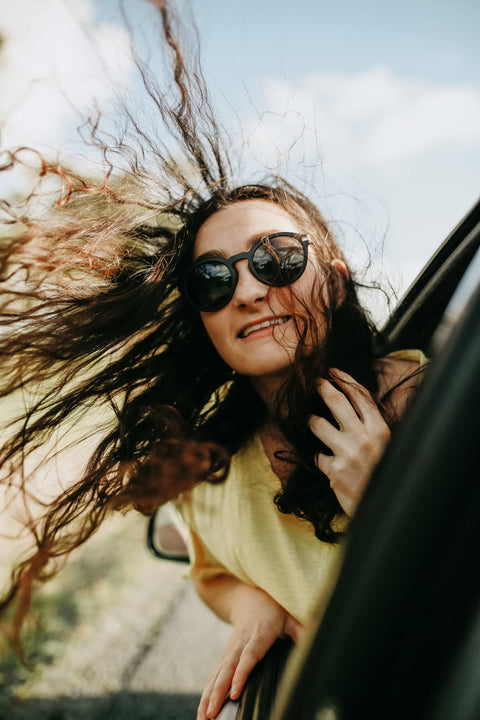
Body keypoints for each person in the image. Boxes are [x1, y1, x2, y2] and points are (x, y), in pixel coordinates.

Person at [0, 2, 425, 718]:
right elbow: (209, 573)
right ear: (202, 319)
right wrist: (252, 602)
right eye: (215, 279)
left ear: (338, 276)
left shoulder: (422, 399)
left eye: (278, 258)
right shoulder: (208, 465)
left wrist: (387, 501)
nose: (252, 289)